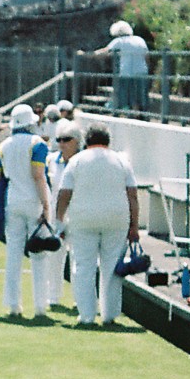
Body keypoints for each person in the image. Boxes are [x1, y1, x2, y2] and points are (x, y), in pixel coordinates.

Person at [55, 124, 141, 327]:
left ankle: (86, 314)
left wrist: (59, 221)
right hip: (116, 219)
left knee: (83, 267)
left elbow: (64, 194)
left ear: (87, 141)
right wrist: (134, 226)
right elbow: (133, 195)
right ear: (108, 141)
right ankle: (110, 314)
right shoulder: (121, 161)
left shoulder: (76, 161)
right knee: (111, 268)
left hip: (83, 219)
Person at [0, 103, 51, 316]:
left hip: (12, 201)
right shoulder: (38, 144)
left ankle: (13, 305)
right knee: (39, 255)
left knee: (13, 254)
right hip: (33, 201)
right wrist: (46, 205)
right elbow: (38, 176)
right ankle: (40, 306)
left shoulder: (3, 146)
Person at [38, 121, 83, 311]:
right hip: (56, 216)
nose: (62, 144)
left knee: (79, 260)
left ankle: (80, 298)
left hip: (79, 216)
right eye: (59, 140)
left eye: (66, 140)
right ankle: (53, 297)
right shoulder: (51, 161)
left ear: (77, 141)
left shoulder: (83, 162)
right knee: (54, 258)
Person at [97, 21, 150, 114]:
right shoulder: (140, 39)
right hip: (142, 72)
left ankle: (120, 111)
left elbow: (105, 51)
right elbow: (147, 56)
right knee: (140, 94)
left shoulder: (120, 41)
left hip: (126, 72)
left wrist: (87, 54)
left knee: (123, 93)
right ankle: (140, 113)